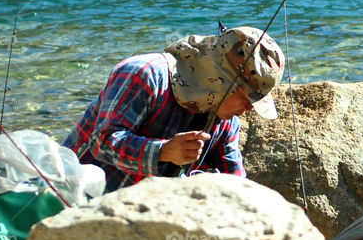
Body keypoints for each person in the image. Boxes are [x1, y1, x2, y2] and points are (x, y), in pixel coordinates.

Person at [64, 26, 284, 192]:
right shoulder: (144, 74)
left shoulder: (226, 121)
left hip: (138, 217)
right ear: (223, 81)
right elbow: (102, 143)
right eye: (248, 98)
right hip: (72, 196)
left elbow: (236, 181)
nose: (248, 109)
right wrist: (164, 151)